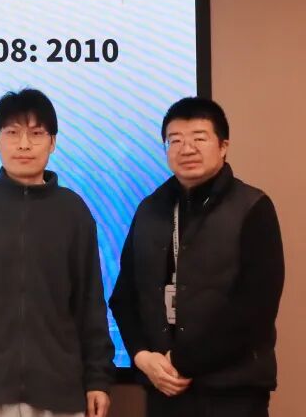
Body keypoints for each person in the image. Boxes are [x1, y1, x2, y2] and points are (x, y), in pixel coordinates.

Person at [0, 89, 115, 417]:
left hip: (59, 386)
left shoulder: (73, 210)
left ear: (52, 142)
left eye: (36, 134)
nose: (24, 144)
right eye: (12, 133)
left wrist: (97, 379)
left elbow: (89, 302)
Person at [109, 97, 284, 417]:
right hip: (163, 387)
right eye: (175, 140)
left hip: (233, 391)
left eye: (199, 138)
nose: (186, 149)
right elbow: (124, 296)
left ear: (223, 146)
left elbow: (257, 307)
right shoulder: (150, 209)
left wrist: (184, 362)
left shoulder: (253, 207)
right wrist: (142, 356)